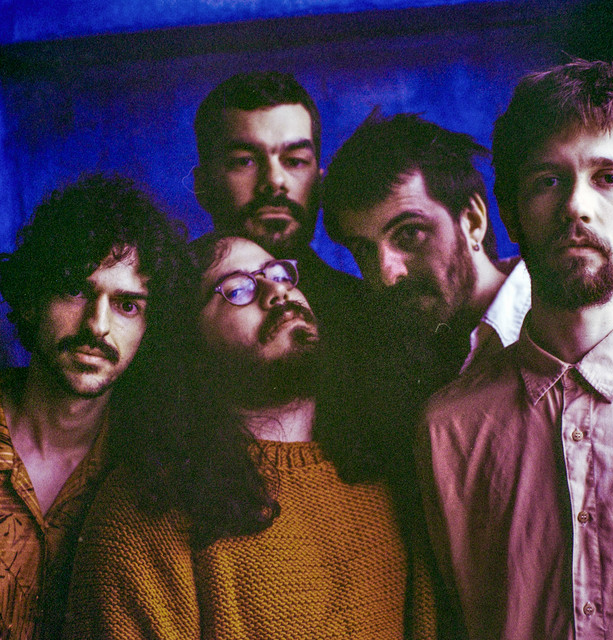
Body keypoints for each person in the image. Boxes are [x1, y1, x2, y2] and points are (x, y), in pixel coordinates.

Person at [63, 234, 438, 639]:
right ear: (190, 344)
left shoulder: (388, 479)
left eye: (280, 274)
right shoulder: (146, 508)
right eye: (238, 288)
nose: (277, 291)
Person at [415, 58, 613, 639]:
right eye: (548, 180)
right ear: (510, 215)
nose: (577, 206)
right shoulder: (448, 430)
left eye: (608, 177)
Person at [0, 172, 188, 639]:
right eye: (76, 291)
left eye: (127, 306)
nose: (97, 325)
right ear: (31, 299)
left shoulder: (154, 464)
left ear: (148, 330)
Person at [323, 110, 531, 378]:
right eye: (363, 249)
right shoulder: (389, 359)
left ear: (473, 221)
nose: (387, 275)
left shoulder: (562, 325)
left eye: (409, 234)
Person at [193, 71, 361, 337]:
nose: (274, 181)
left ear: (319, 184)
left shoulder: (367, 313)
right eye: (245, 161)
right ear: (202, 187)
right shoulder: (158, 308)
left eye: (295, 161)